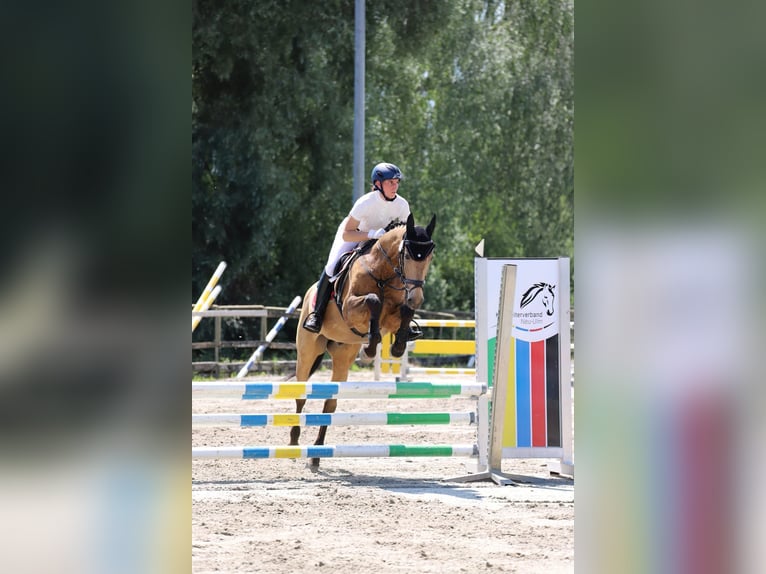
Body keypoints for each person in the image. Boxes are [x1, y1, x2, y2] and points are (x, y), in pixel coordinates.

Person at [302, 162, 421, 340]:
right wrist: (372, 234)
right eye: (390, 182)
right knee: (332, 266)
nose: (395, 186)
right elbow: (347, 234)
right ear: (378, 184)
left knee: (403, 270)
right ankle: (317, 315)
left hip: (383, 247)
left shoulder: (402, 205)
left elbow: (405, 235)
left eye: (397, 182)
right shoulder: (365, 202)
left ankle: (404, 323)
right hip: (356, 235)